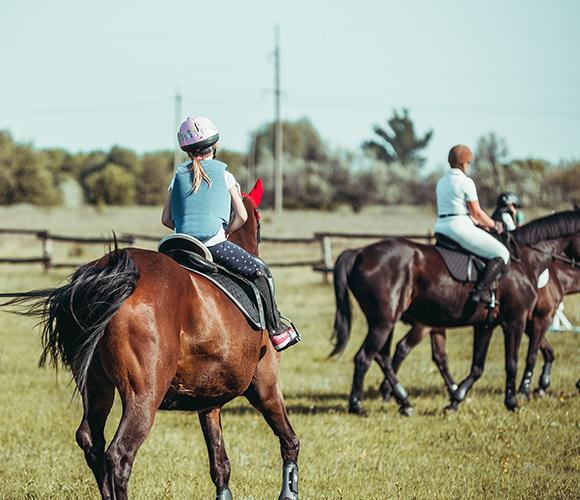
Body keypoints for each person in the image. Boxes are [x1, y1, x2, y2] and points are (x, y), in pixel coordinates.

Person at [162, 116, 300, 352]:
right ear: (214, 145)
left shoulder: (177, 177)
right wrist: (226, 231)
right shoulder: (225, 175)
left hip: (178, 247)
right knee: (260, 271)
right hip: (213, 245)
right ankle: (277, 332)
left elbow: (166, 219)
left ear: (186, 150)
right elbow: (243, 216)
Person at [434, 145, 510, 303]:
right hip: (459, 228)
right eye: (468, 163)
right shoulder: (466, 182)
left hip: (441, 226)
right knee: (502, 253)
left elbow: (459, 209)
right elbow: (476, 212)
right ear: (463, 163)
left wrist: (477, 222)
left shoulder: (441, 181)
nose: (468, 166)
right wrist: (495, 225)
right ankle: (480, 291)